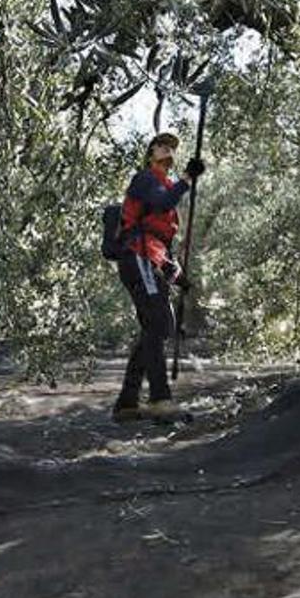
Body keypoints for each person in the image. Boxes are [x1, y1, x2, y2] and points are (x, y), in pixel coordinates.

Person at [112, 131, 205, 422]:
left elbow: (162, 244)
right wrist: (188, 179)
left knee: (155, 326)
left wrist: (179, 277)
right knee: (158, 323)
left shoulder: (165, 185)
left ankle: (127, 402)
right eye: (161, 146)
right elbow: (161, 204)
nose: (167, 150)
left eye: (171, 147)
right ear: (151, 153)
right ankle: (159, 399)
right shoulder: (145, 180)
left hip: (149, 258)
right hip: (136, 255)